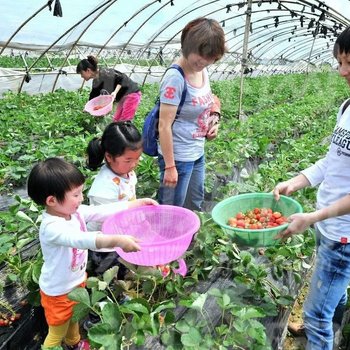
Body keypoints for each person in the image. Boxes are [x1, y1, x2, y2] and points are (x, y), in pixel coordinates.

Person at [273, 26, 350, 350]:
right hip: (329, 224)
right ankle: (332, 315)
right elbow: (332, 161)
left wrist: (314, 217)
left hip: (343, 232)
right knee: (334, 288)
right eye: (340, 62)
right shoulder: (347, 107)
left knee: (316, 311)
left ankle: (321, 323)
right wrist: (297, 180)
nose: (342, 71)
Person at [27, 157, 156, 350]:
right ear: (52, 200)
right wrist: (117, 240)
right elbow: (82, 239)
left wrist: (135, 204)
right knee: (56, 333)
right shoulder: (51, 227)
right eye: (76, 195)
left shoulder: (73, 212)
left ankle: (74, 343)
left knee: (74, 319)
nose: (81, 199)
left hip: (75, 282)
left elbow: (102, 211)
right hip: (58, 292)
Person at [157, 17, 226, 211]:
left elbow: (211, 99)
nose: (203, 61)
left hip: (196, 152)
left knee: (195, 203)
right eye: (200, 54)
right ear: (187, 46)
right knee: (172, 209)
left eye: (210, 57)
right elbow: (164, 126)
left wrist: (215, 120)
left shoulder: (202, 71)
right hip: (178, 158)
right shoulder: (175, 78)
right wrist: (170, 167)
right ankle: (168, 241)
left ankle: (190, 239)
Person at [86, 121, 142, 276]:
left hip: (122, 234)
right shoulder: (104, 187)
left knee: (122, 269)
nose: (134, 164)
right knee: (108, 276)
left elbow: (131, 197)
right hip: (105, 243)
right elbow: (111, 220)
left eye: (137, 158)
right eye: (128, 160)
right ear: (109, 157)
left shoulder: (126, 172)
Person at [76, 55, 142, 122]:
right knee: (116, 121)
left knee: (124, 121)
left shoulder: (105, 72)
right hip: (122, 98)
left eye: (81, 73)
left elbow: (122, 78)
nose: (82, 76)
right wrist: (87, 109)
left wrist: (115, 92)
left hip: (131, 94)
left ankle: (128, 131)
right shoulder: (96, 81)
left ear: (88, 70)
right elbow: (93, 96)